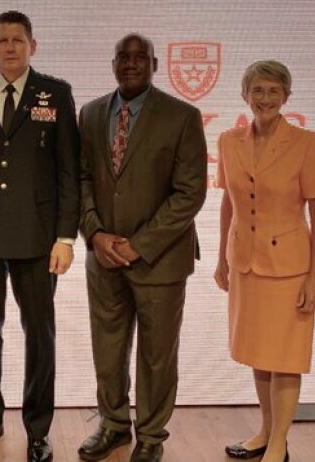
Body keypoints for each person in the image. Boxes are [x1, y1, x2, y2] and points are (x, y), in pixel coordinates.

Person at [0, 10, 80, 462]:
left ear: (32, 46)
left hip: (39, 237)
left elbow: (68, 171)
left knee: (39, 335)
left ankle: (38, 432)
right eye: (2, 40)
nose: (10, 47)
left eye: (18, 40)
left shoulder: (56, 94)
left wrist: (66, 237)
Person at [76, 33, 207, 462]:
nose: (130, 64)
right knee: (108, 349)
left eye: (140, 58)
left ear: (154, 64)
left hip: (160, 261)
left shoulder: (182, 116)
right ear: (113, 63)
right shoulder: (91, 114)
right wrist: (95, 234)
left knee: (157, 354)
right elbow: (81, 181)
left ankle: (151, 435)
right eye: (123, 57)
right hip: (104, 258)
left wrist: (139, 245)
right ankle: (113, 425)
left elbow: (190, 193)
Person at [214, 60, 315, 462]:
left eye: (273, 91)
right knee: (258, 353)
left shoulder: (308, 143)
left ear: (286, 97)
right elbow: (228, 201)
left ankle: (279, 442)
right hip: (245, 264)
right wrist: (221, 258)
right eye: (258, 90)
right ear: (245, 95)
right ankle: (264, 431)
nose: (265, 98)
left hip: (289, 269)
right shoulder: (228, 142)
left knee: (284, 357)